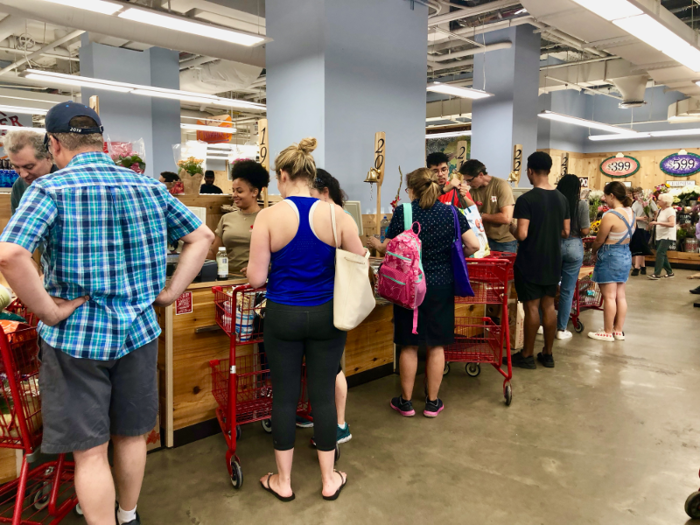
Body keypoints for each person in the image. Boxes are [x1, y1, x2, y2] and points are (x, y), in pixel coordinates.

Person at [0, 101, 213, 525]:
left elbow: (9, 255)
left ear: (55, 145)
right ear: (101, 139)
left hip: (76, 340)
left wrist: (49, 312)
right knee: (132, 435)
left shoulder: (50, 189)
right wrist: (169, 294)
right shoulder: (150, 187)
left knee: (91, 451)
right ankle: (128, 514)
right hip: (138, 332)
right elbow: (202, 236)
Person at [247, 138, 364, 501]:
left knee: (284, 397)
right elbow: (358, 259)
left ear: (283, 175)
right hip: (327, 317)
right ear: (311, 175)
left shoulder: (268, 216)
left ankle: (283, 482)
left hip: (283, 315)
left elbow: (255, 279)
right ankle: (330, 479)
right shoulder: (337, 215)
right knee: (323, 397)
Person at [368, 168, 480, 417]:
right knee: (436, 345)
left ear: (412, 190)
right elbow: (473, 244)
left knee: (409, 345)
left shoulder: (404, 212)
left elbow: (390, 248)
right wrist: (455, 255)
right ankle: (432, 402)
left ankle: (405, 402)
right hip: (441, 284)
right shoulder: (452, 212)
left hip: (409, 287)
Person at [301, 168, 351, 445]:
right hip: (322, 302)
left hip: (333, 302)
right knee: (323, 367)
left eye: (311, 194)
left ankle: (340, 423)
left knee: (332, 367)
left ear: (324, 192)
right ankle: (322, 414)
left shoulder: (337, 218)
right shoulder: (320, 216)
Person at [508, 152, 570, 369]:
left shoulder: (526, 199)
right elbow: (566, 231)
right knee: (549, 306)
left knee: (532, 307)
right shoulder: (562, 198)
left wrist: (511, 227)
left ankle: (526, 355)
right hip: (553, 259)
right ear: (549, 170)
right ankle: (548, 354)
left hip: (531, 259)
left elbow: (522, 234)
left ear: (530, 171)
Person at [588, 181, 635, 341]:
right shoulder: (631, 213)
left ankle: (607, 332)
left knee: (608, 296)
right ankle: (617, 330)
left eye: (606, 195)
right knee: (620, 296)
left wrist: (593, 252)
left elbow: (599, 239)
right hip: (625, 253)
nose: (604, 199)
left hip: (610, 254)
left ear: (612, 196)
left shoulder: (610, 215)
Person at [207, 160, 269, 276]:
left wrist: (264, 269)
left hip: (256, 281)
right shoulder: (226, 218)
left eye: (239, 191)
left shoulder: (267, 218)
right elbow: (215, 252)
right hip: (226, 279)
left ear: (254, 192)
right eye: (233, 190)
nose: (234, 195)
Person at [555, 175, 590, 340]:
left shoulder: (553, 202)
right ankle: (561, 329)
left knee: (547, 287)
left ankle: (541, 324)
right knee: (567, 291)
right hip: (574, 245)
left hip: (553, 245)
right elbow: (584, 230)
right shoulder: (581, 204)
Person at [460, 159, 518, 253]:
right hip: (484, 240)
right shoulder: (473, 190)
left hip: (504, 242)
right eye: (466, 181)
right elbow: (471, 211)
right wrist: (463, 196)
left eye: (470, 180)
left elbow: (506, 218)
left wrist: (480, 215)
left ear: (481, 174)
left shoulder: (501, 185)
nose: (468, 184)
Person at [5, 129, 57, 214]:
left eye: (29, 167)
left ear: (48, 157)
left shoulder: (65, 183)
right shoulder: (19, 186)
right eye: (16, 166)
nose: (23, 175)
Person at [648, 193, 676, 280]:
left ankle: (657, 273)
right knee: (662, 254)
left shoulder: (670, 210)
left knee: (660, 253)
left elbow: (672, 224)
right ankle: (670, 272)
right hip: (660, 235)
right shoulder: (661, 210)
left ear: (665, 201)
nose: (658, 201)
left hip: (667, 235)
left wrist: (657, 223)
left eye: (659, 200)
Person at [630, 187, 656, 276]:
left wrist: (652, 221)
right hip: (637, 227)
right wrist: (640, 218)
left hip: (646, 227)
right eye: (634, 194)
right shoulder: (635, 204)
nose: (636, 195)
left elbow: (656, 212)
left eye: (637, 193)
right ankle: (643, 266)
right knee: (640, 247)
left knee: (641, 248)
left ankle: (637, 267)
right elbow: (631, 216)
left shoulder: (649, 202)